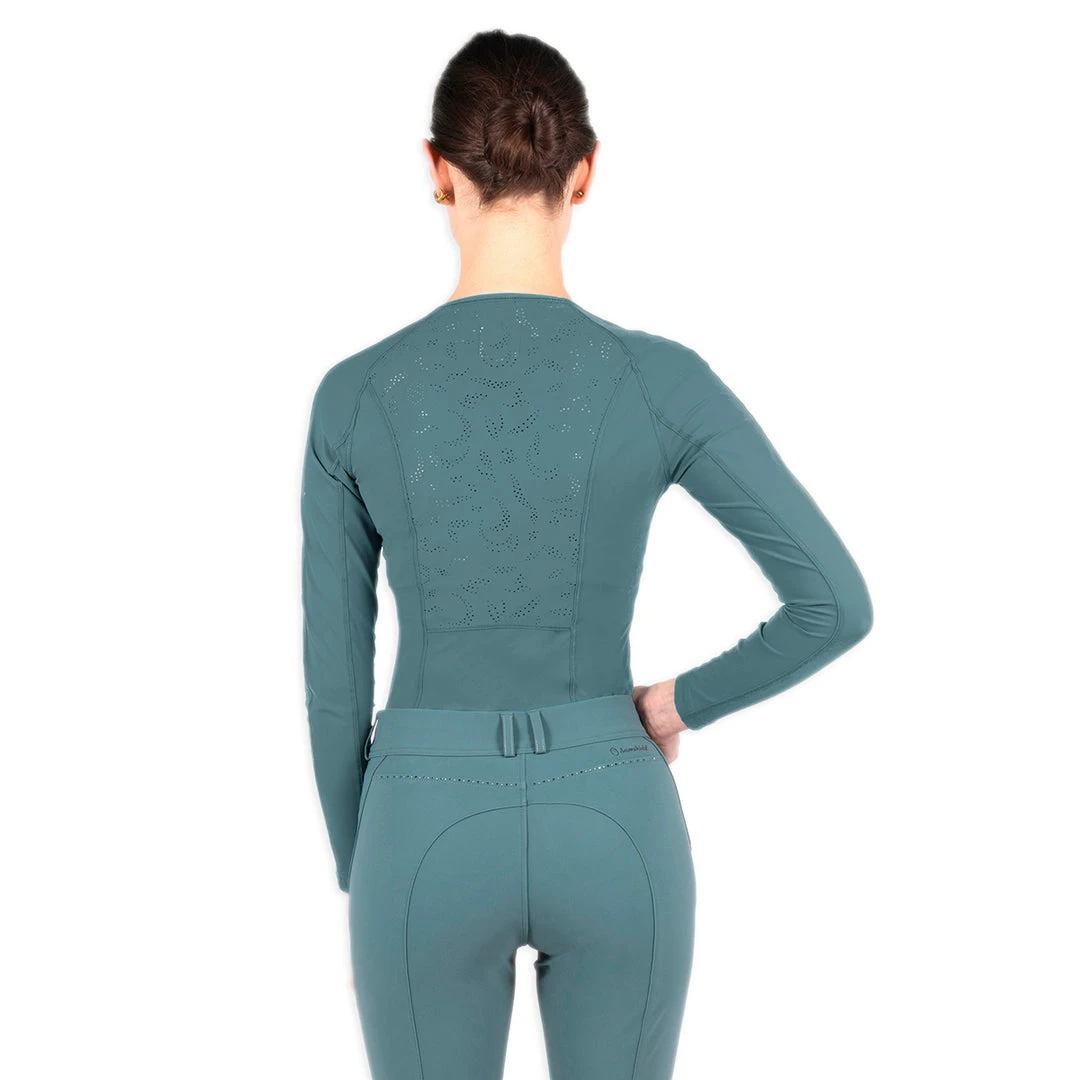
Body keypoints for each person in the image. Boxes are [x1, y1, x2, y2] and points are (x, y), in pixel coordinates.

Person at [300, 28, 873, 1080]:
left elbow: (336, 687)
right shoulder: (658, 381)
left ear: (438, 171)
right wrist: (673, 706)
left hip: (420, 824)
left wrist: (364, 863)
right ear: (586, 172)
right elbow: (833, 603)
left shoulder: (357, 395)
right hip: (613, 810)